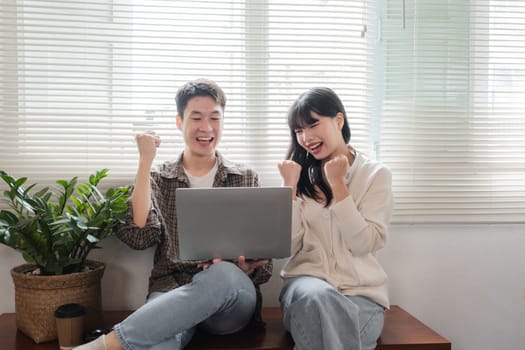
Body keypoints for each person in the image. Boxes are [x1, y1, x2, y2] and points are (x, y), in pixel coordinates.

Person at [76, 79, 272, 350]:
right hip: (171, 290)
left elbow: (265, 267)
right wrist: (145, 161)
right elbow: (139, 236)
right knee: (159, 342)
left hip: (230, 300)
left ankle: (104, 345)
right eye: (196, 117)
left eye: (215, 118)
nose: (206, 127)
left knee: (223, 275)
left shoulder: (245, 177)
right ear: (180, 122)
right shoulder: (159, 178)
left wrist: (244, 268)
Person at [277, 87, 393, 350]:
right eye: (298, 131)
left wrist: (339, 185)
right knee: (319, 300)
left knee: (330, 336)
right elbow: (288, 247)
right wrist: (290, 190)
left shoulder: (375, 175)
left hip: (361, 296)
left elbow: (363, 244)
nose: (305, 137)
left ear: (338, 120)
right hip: (306, 290)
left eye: (313, 124)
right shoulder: (296, 176)